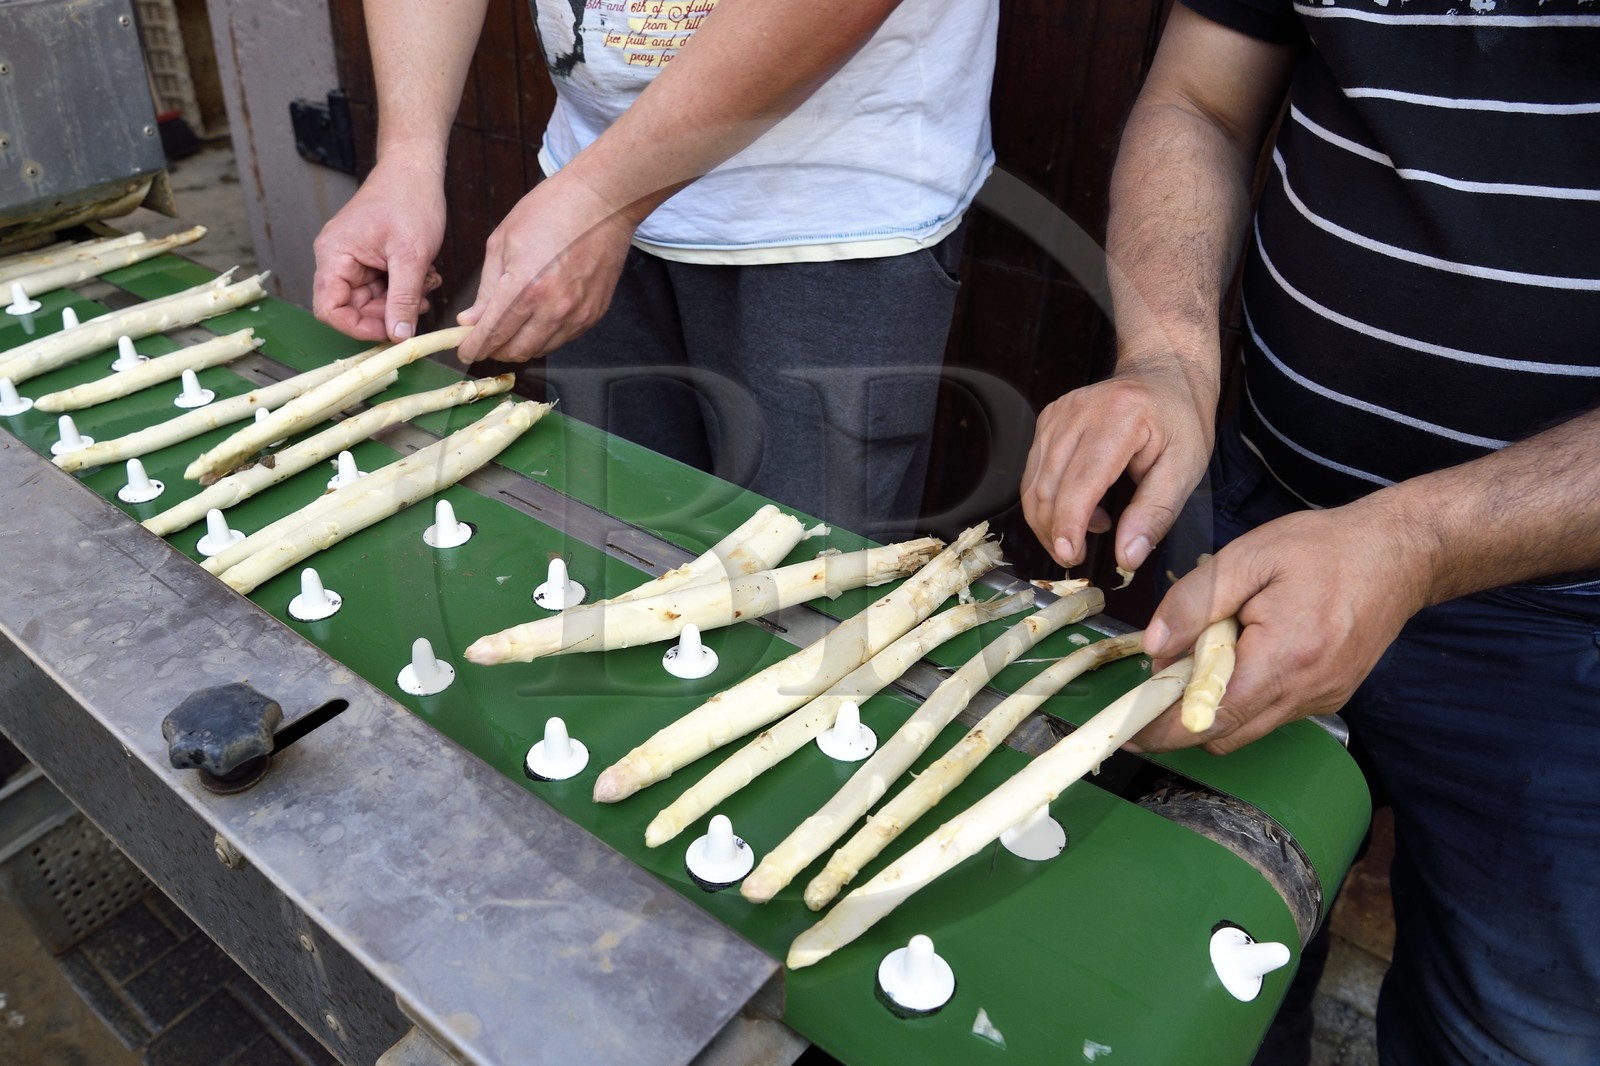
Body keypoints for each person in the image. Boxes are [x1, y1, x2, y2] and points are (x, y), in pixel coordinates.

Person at [1020, 2, 1600, 1062]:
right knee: (1196, 968)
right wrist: (1168, 358)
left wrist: (1417, 540)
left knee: (1522, 1029)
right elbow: (1199, 96)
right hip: (1262, 517)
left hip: (1568, 628)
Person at [312, 0, 997, 538]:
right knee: (619, 538)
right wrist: (406, 156)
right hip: (581, 190)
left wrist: (599, 202)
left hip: (834, 218)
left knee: (804, 592)